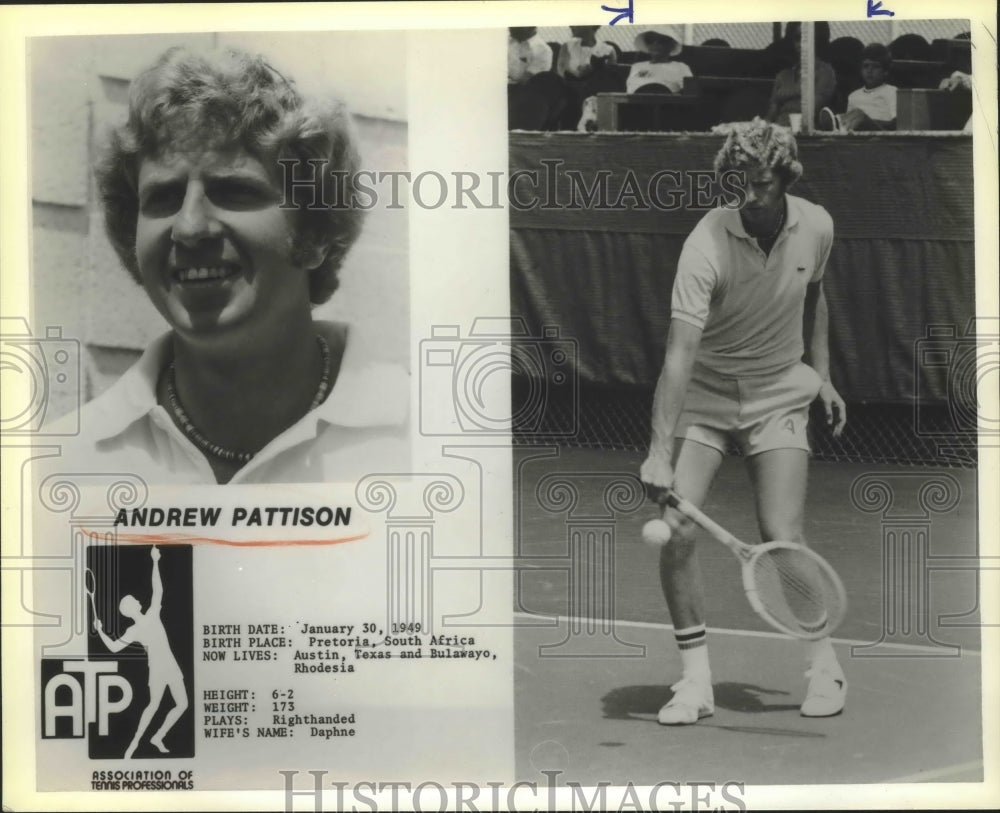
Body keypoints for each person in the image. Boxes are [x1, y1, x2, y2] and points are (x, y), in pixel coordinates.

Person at [57, 45, 408, 484]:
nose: (189, 227)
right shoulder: (63, 467)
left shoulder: (422, 445)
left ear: (316, 230)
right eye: (163, 198)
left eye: (234, 191)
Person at [640, 118, 848, 725]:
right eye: (738, 183)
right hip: (706, 396)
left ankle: (824, 663)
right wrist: (658, 450)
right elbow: (679, 355)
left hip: (779, 391)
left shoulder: (817, 226)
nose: (749, 195)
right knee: (677, 529)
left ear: (784, 178)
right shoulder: (704, 244)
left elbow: (815, 296)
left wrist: (823, 374)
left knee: (780, 531)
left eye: (760, 183)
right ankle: (695, 682)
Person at [94, 547, 188, 759]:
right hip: (159, 668)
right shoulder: (147, 619)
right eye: (134, 600)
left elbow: (113, 647)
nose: (138, 599)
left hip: (170, 666)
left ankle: (156, 737)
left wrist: (100, 630)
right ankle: (134, 744)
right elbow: (158, 590)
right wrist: (155, 561)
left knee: (181, 704)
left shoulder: (138, 625)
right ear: (132, 607)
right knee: (154, 706)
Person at [767, 22, 837, 127]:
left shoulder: (825, 71)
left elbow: (811, 108)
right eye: (797, 38)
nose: (802, 43)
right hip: (779, 132)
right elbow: (771, 115)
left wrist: (783, 95)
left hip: (806, 134)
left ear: (817, 40)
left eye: (807, 38)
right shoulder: (783, 75)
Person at [842, 43, 897, 131]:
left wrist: (866, 121)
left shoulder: (892, 92)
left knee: (859, 115)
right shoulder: (853, 96)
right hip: (858, 138)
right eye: (866, 66)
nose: (869, 71)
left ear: (885, 71)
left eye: (875, 66)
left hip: (881, 136)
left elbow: (896, 124)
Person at [626, 28, 693, 95]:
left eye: (661, 41)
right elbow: (629, 90)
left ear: (670, 45)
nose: (655, 44)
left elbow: (689, 93)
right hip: (633, 103)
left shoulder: (680, 67)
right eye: (650, 41)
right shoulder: (636, 66)